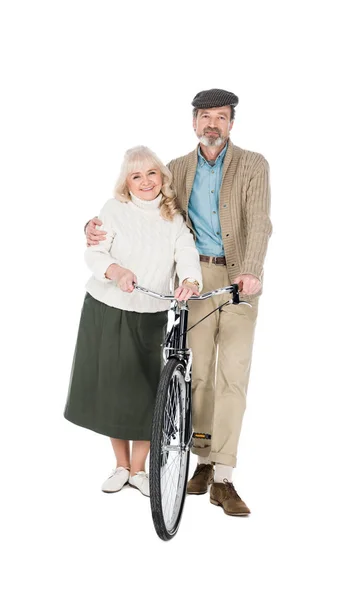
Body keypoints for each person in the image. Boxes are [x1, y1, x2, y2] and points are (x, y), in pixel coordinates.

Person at [85, 89, 272, 515]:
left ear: (231, 123)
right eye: (205, 117)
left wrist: (252, 270)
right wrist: (94, 226)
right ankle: (202, 460)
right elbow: (140, 205)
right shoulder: (176, 168)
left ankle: (223, 473)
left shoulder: (253, 164)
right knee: (197, 373)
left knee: (233, 375)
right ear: (193, 122)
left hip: (240, 276)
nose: (212, 125)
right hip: (191, 278)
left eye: (221, 118)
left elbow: (260, 221)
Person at [65, 145, 202, 496]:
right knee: (115, 388)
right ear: (126, 182)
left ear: (162, 177)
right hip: (109, 308)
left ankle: (139, 470)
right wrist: (116, 270)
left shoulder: (174, 218)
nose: (145, 182)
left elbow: (185, 253)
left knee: (146, 393)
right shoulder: (114, 210)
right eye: (136, 175)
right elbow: (95, 252)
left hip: (153, 312)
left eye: (151, 173)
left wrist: (189, 280)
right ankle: (121, 465)